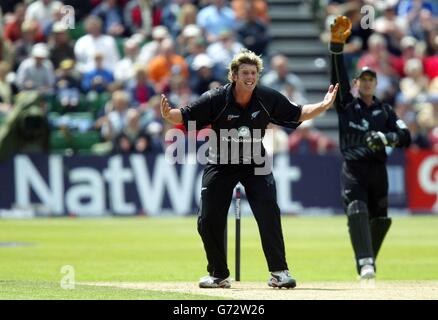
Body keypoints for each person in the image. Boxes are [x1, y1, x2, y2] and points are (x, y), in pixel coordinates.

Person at [160, 49, 339, 289]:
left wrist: (324, 105)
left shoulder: (267, 97)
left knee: (269, 214)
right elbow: (184, 115)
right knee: (208, 219)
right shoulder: (215, 98)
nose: (250, 76)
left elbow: (298, 113)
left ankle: (279, 272)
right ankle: (218, 275)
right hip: (221, 161)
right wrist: (167, 114)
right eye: (244, 72)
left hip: (255, 160)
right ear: (233, 75)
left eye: (253, 72)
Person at [329, 16, 411, 280]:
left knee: (381, 220)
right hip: (353, 168)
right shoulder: (346, 106)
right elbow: (338, 78)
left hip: (378, 170)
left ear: (376, 84)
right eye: (362, 80)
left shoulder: (384, 110)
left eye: (370, 80)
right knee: (357, 209)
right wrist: (337, 48)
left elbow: (405, 135)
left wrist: (386, 138)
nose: (365, 83)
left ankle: (366, 259)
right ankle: (366, 262)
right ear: (356, 83)